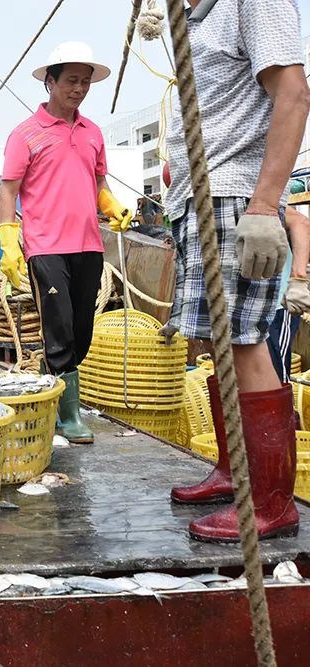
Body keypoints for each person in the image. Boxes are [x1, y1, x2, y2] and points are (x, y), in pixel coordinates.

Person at [164, 0, 309, 542]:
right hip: (199, 199)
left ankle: (271, 503)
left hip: (234, 197)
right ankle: (235, 473)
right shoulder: (201, 16)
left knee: (244, 342)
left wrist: (266, 207)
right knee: (218, 343)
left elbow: (294, 96)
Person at [0, 41, 132, 445]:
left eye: (86, 82)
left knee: (82, 330)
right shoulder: (25, 135)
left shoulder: (92, 133)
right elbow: (8, 192)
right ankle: (68, 415)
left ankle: (51, 390)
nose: (79, 89)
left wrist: (111, 205)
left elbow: (98, 182)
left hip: (88, 244)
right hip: (45, 245)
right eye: (72, 80)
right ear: (50, 82)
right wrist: (8, 241)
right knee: (59, 327)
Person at [268, 207, 310, 383]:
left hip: (278, 304)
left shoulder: (265, 203)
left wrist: (298, 279)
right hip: (244, 307)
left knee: (276, 371)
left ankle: (283, 410)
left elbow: (302, 223)